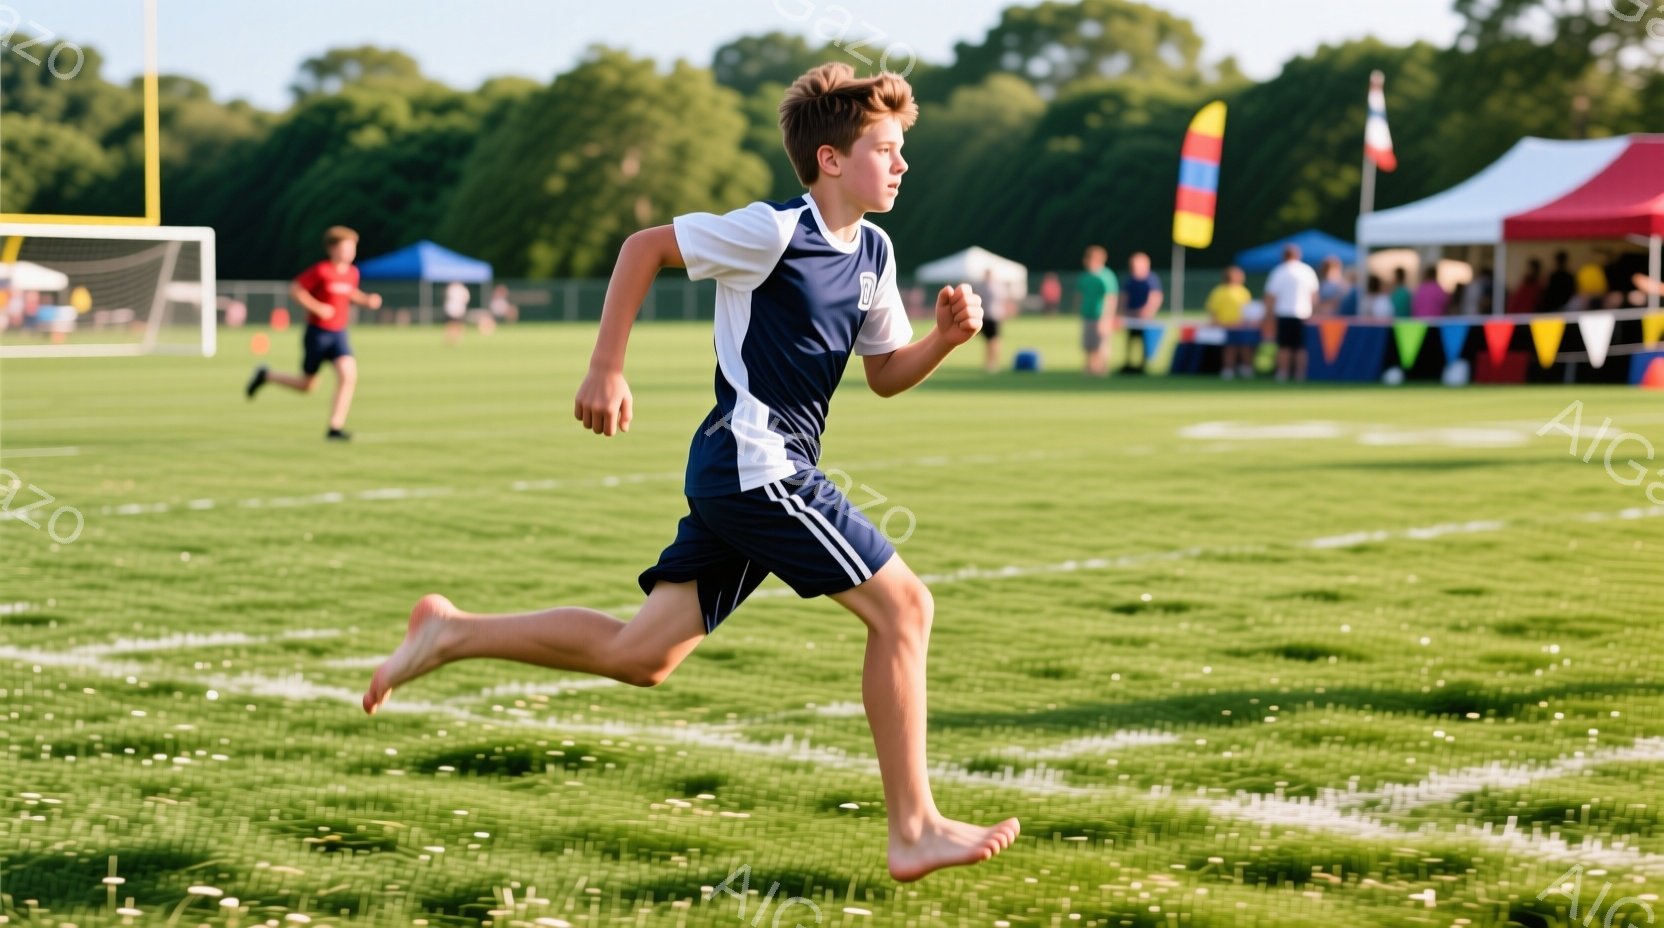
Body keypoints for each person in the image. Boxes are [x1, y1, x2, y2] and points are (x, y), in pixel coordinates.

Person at [358, 62, 1018, 883]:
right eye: (887, 148)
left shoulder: (875, 251)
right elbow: (645, 248)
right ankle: (914, 828)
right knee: (905, 608)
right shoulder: (774, 230)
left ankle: (451, 633)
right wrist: (606, 367)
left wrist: (943, 342)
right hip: (755, 464)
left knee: (644, 655)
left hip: (751, 472)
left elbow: (883, 372)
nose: (903, 163)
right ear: (832, 161)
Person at [245, 225, 381, 441]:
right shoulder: (321, 271)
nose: (350, 252)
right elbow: (296, 289)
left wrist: (366, 300)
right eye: (346, 248)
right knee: (307, 386)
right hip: (318, 334)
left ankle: (335, 428)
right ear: (332, 249)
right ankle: (266, 375)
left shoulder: (352, 273)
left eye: (353, 248)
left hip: (339, 334)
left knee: (348, 375)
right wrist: (318, 308)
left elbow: (349, 293)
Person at [1263, 243, 1319, 382]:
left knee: (1284, 346)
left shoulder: (1279, 271)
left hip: (1283, 313)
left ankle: (1283, 373)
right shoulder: (1307, 271)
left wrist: (1268, 316)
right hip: (1303, 313)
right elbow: (1314, 296)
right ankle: (1300, 374)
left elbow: (1271, 297)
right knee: (1300, 346)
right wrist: (1314, 311)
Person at [1074, 245, 1117, 376]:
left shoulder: (1105, 276)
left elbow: (1110, 298)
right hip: (1088, 314)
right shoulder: (1085, 277)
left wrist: (1106, 318)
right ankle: (1090, 368)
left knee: (1101, 343)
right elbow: (1079, 295)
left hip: (1101, 316)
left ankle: (1102, 369)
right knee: (1088, 344)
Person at [1204, 265, 1253, 379]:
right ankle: (1228, 369)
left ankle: (1246, 368)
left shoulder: (1243, 291)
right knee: (1230, 348)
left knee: (1245, 347)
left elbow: (1248, 310)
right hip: (1225, 325)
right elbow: (1213, 309)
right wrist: (1216, 322)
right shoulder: (1219, 291)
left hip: (1241, 325)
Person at [1119, 252, 1163, 373]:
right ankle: (1128, 362)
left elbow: (1155, 296)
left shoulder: (1151, 279)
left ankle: (1143, 365)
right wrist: (1123, 311)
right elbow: (1124, 296)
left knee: (1145, 341)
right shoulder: (1130, 280)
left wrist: (1147, 311)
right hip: (1131, 316)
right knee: (1130, 339)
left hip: (1144, 318)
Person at [977, 269, 1005, 373]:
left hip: (994, 317)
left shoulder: (997, 287)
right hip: (986, 317)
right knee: (989, 342)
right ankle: (989, 363)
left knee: (994, 341)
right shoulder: (982, 287)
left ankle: (993, 363)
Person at [443, 280, 469, 345]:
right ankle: (455, 337)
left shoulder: (451, 288)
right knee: (457, 323)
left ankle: (451, 337)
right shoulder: (462, 289)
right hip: (458, 308)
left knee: (452, 323)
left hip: (453, 308)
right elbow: (466, 299)